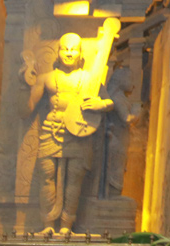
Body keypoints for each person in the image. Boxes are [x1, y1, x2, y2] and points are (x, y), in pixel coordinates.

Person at [25, 27, 117, 235]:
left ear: (81, 54)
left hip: (79, 132)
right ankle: (48, 224)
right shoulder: (47, 78)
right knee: (47, 175)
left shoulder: (89, 79)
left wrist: (99, 105)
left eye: (73, 49)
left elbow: (110, 102)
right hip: (51, 130)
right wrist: (27, 82)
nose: (68, 52)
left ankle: (66, 225)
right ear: (57, 53)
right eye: (64, 49)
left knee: (74, 178)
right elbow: (27, 109)